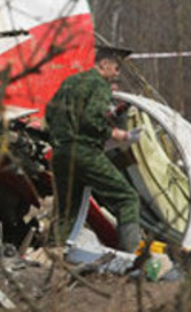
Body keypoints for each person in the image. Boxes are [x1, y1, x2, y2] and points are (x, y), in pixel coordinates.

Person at [45, 45, 142, 252]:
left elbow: (49, 115)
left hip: (61, 154)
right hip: (85, 152)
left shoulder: (70, 82)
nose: (118, 73)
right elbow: (91, 119)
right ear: (103, 63)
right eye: (116, 67)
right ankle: (131, 258)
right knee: (127, 198)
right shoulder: (100, 85)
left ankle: (54, 256)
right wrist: (117, 134)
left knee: (67, 211)